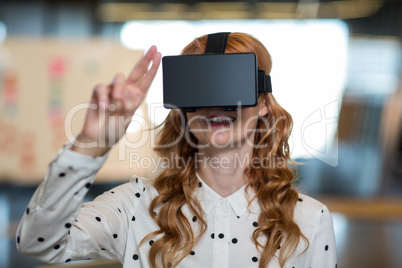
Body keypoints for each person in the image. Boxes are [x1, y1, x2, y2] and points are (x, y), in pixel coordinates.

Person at [17, 32, 337, 268]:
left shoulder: (308, 219)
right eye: (197, 88)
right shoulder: (137, 205)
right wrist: (90, 144)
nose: (214, 106)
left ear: (265, 103)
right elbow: (40, 244)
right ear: (182, 108)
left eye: (230, 85)